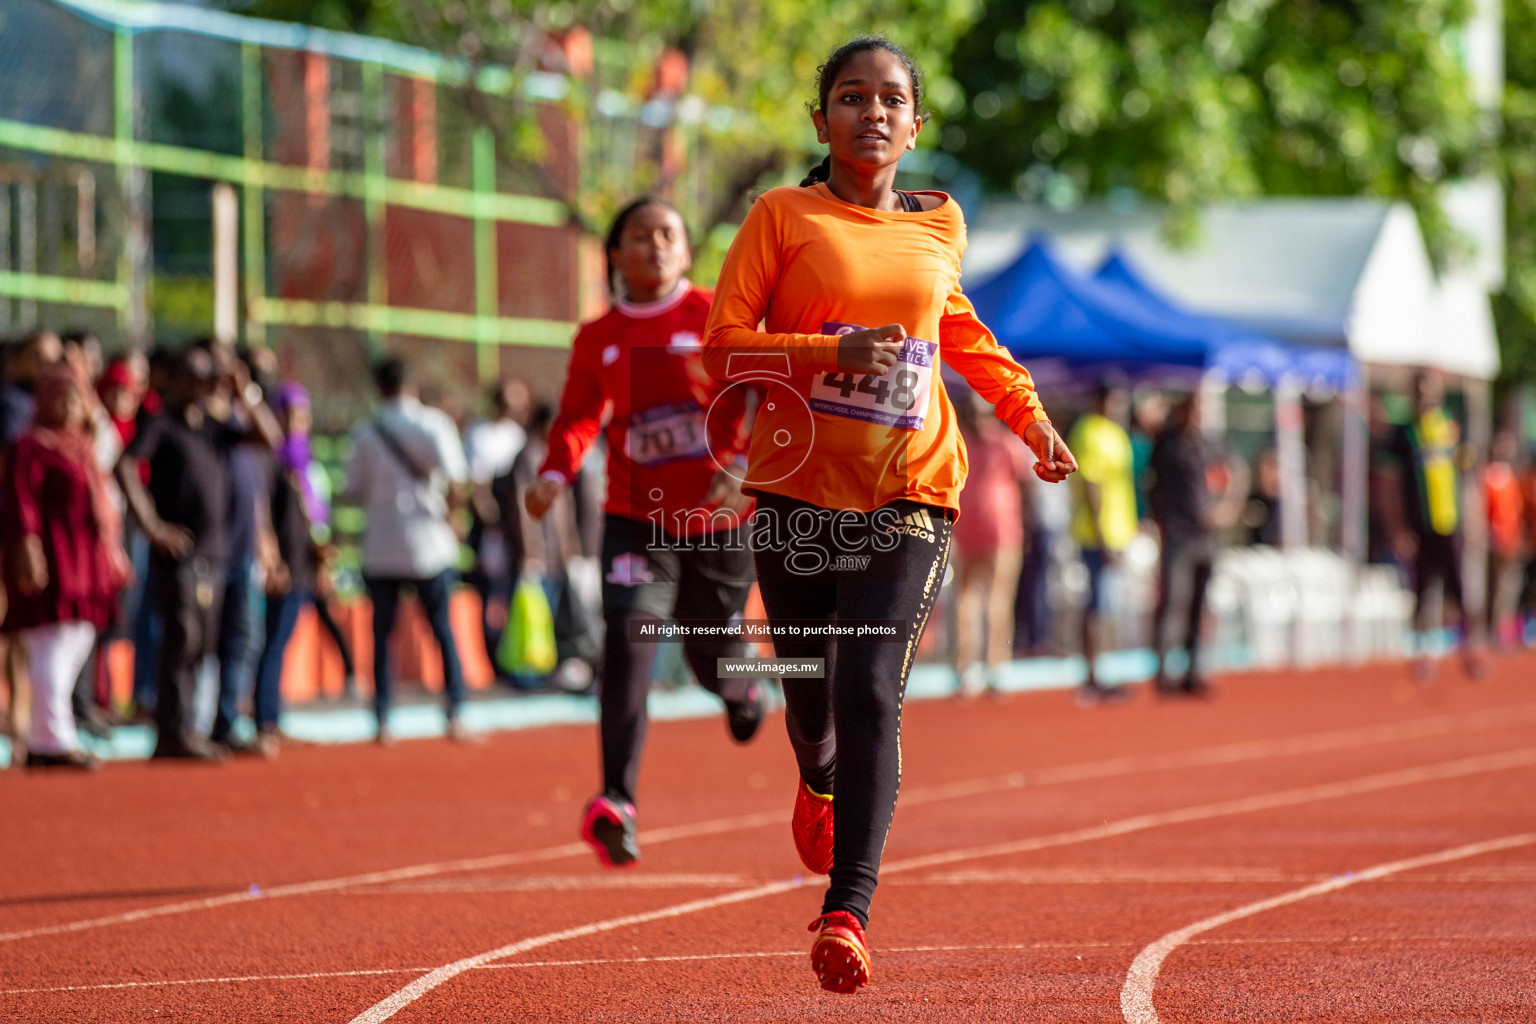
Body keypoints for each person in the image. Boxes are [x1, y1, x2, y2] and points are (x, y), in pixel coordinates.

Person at [701, 38, 1076, 993]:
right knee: (809, 698)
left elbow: (960, 331)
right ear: (820, 120)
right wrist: (833, 356)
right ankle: (815, 774)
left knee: (870, 687)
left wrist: (1029, 417)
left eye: (890, 100)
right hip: (791, 491)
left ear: (916, 125)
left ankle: (847, 908)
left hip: (912, 485)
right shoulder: (781, 215)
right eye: (851, 98)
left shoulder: (940, 222)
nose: (872, 113)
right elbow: (725, 348)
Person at [525, 195, 769, 869]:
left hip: (720, 521)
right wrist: (554, 473)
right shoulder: (599, 337)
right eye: (640, 236)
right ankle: (616, 801)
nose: (656, 246)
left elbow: (767, 389)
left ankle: (742, 687)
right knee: (629, 643)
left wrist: (744, 464)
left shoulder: (716, 314)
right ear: (615, 255)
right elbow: (577, 417)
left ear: (687, 250)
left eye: (668, 234)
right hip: (636, 523)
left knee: (707, 656)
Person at [116, 348, 282, 760]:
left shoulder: (214, 426)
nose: (197, 386)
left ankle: (191, 726)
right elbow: (125, 466)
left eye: (205, 378)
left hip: (216, 552)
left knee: (203, 642)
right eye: (189, 377)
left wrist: (244, 392)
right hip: (180, 553)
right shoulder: (161, 424)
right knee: (182, 639)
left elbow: (271, 439)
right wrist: (152, 526)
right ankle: (172, 732)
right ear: (173, 380)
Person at [2, 364, 130, 769]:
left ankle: (47, 734)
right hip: (52, 558)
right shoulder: (30, 446)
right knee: (51, 646)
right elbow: (20, 499)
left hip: (86, 559)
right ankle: (52, 740)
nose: (69, 405)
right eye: (61, 397)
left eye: (76, 398)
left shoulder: (85, 446)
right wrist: (28, 545)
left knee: (78, 641)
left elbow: (116, 447)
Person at [344, 357, 475, 744]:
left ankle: (382, 719)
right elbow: (458, 481)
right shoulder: (433, 424)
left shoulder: (365, 433)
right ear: (411, 384)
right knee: (442, 631)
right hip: (429, 546)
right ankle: (455, 712)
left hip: (381, 547)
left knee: (382, 635)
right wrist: (456, 517)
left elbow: (351, 488)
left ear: (379, 388)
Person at [251, 383, 354, 752]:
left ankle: (271, 717)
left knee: (281, 640)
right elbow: (263, 514)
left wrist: (321, 555)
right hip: (284, 565)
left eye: (303, 416)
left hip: (304, 563)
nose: (299, 423)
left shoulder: (305, 463)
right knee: (272, 642)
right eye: (292, 416)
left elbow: (315, 517)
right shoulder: (271, 460)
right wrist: (272, 556)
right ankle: (264, 720)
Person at [1381, 370, 1485, 681]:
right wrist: (1396, 526)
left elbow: (1467, 479)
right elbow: (1389, 485)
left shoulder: (1451, 427)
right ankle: (1424, 654)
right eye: (1420, 391)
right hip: (1418, 524)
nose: (1426, 397)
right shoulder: (1402, 434)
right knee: (1422, 591)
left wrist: (1475, 518)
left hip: (1450, 522)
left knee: (1460, 589)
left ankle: (1474, 650)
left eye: (1431, 391)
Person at [1148, 393, 1243, 697]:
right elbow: (1152, 484)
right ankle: (1163, 672)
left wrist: (1228, 508)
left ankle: (1193, 670)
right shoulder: (1168, 443)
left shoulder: (1212, 444)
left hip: (1208, 537)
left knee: (1200, 605)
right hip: (1178, 533)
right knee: (1174, 601)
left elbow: (1236, 473)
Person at [951, 391, 1029, 697]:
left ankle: (989, 667)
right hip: (980, 531)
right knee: (972, 602)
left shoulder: (1000, 444)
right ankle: (976, 667)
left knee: (988, 601)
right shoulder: (978, 443)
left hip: (997, 531)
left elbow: (1025, 485)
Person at [1068, 383, 1137, 703]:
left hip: (1118, 532)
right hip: (1097, 534)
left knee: (1108, 605)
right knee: (1096, 604)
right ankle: (1092, 675)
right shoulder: (1089, 431)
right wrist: (1102, 535)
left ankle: (1103, 672)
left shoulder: (1116, 433)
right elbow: (1091, 486)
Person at [464, 378, 530, 673]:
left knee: (515, 593)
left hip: (515, 525)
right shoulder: (478, 434)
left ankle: (513, 658)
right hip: (491, 527)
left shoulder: (516, 435)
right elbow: (478, 487)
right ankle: (493, 661)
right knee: (489, 595)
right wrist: (492, 524)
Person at [1483, 430, 1525, 650]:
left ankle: (1507, 629)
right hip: (1498, 542)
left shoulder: (1510, 475)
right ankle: (1496, 632)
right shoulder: (1491, 476)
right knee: (1499, 587)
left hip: (1512, 540)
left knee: (1510, 588)